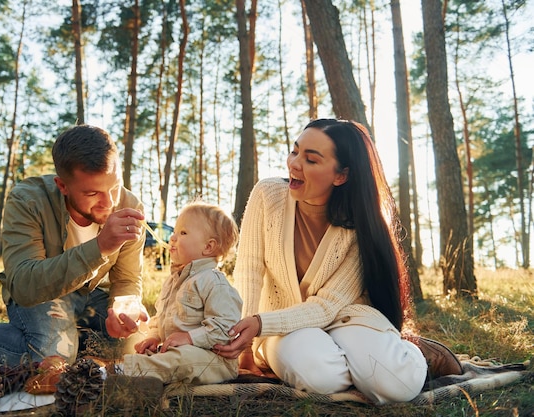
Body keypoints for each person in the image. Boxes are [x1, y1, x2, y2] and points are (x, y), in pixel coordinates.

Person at [214, 118, 463, 404]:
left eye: (311, 159)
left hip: (344, 317)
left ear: (341, 175)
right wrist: (247, 345)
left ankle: (415, 354)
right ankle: (361, 365)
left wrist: (259, 324)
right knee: (318, 376)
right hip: (280, 325)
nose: (294, 163)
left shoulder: (360, 226)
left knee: (399, 385)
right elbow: (250, 271)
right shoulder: (267, 195)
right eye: (295, 151)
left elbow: (328, 305)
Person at [0, 125, 148, 365]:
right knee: (53, 357)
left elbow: (127, 280)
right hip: (40, 295)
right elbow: (24, 284)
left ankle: (71, 335)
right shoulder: (28, 200)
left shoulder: (130, 206)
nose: (109, 202)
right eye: (93, 193)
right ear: (62, 185)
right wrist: (100, 247)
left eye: (115, 187)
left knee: (138, 342)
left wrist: (121, 310)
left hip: (90, 295)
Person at [118, 200, 242, 385]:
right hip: (177, 351)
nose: (173, 238)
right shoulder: (173, 281)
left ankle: (121, 372)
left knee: (181, 359)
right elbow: (163, 316)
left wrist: (190, 338)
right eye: (174, 232)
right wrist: (154, 336)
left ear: (208, 247)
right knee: (153, 349)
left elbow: (226, 329)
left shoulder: (213, 282)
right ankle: (141, 377)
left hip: (213, 360)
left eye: (183, 233)